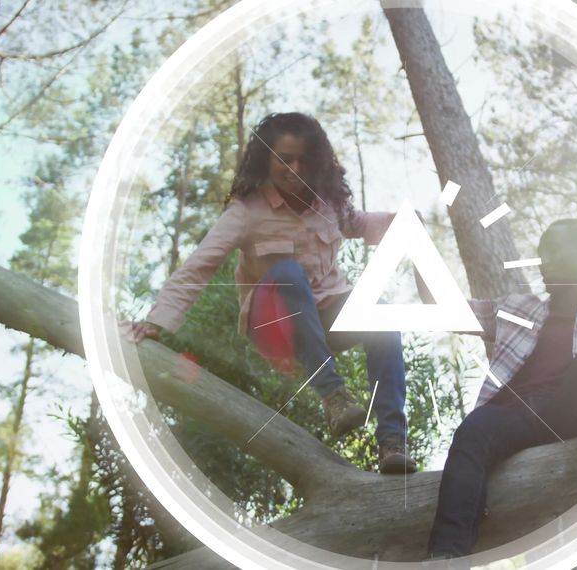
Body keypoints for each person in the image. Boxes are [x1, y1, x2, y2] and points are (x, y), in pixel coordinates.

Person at [124, 112, 417, 474]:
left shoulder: (328, 202)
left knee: (382, 314)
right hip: (273, 325)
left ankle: (392, 441)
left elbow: (359, 223)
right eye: (285, 159)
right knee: (288, 273)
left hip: (324, 317)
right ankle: (334, 397)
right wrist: (157, 323)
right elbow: (199, 266)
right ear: (268, 160)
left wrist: (400, 223)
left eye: (303, 160)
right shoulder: (247, 212)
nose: (294, 168)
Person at [420, 219, 577, 560]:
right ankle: (447, 557)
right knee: (473, 429)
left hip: (569, 412)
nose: (544, 260)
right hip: (513, 418)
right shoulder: (517, 308)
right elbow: (445, 311)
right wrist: (418, 246)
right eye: (541, 253)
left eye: (554, 250)